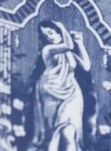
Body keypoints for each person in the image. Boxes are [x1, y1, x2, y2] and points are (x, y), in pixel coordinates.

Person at [29, 20, 92, 151]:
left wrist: (80, 43)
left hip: (72, 93)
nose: (49, 37)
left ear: (58, 32)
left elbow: (86, 66)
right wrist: (62, 27)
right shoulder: (48, 50)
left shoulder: (68, 53)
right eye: (46, 35)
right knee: (53, 134)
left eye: (51, 33)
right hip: (51, 91)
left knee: (70, 132)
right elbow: (68, 45)